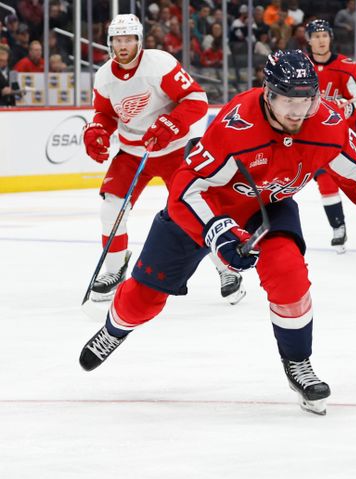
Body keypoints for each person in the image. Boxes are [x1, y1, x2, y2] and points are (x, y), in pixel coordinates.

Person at [78, 50, 356, 416]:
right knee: (143, 299)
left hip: (268, 209)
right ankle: (114, 330)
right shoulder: (236, 127)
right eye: (288, 101)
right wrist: (218, 231)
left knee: (289, 275)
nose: (298, 112)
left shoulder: (326, 123)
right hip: (207, 209)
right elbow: (187, 187)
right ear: (268, 94)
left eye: (306, 100)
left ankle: (298, 362)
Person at [82, 15, 246, 305]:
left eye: (128, 39)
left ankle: (227, 267)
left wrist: (171, 124)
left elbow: (197, 99)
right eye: (117, 40)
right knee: (111, 208)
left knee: (196, 210)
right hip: (133, 153)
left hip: (174, 150)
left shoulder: (159, 64)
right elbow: (105, 114)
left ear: (139, 41)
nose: (123, 46)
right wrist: (97, 131)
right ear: (110, 43)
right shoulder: (104, 75)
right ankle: (114, 268)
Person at [306, 19, 356, 253]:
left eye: (324, 35)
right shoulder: (302, 67)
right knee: (325, 180)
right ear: (309, 40)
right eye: (316, 36)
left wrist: (348, 108)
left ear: (330, 38)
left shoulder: (347, 66)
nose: (321, 40)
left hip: (352, 130)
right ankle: (338, 228)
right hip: (319, 135)